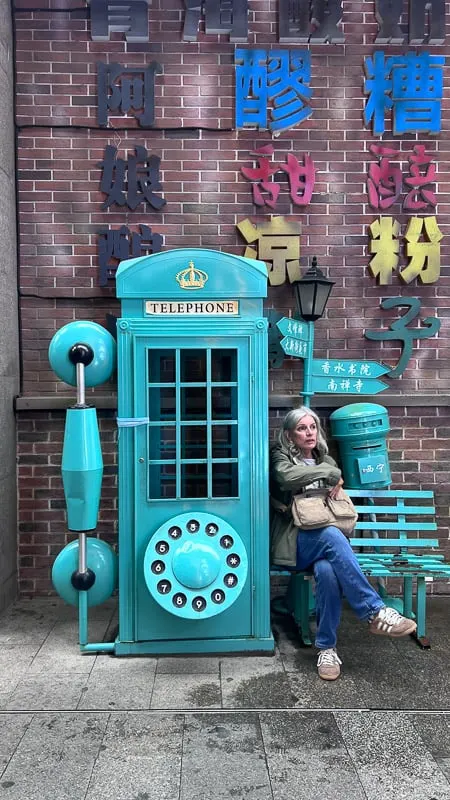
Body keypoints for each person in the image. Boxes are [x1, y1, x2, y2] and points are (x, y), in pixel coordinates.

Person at [269, 406, 417, 681]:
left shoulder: (324, 458)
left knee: (327, 571)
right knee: (331, 535)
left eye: (312, 427)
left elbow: (333, 476)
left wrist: (329, 469)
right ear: (289, 435)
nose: (309, 433)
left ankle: (327, 648)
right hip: (295, 544)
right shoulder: (281, 456)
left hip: (328, 546)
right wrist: (329, 473)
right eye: (301, 428)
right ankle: (374, 611)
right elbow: (286, 477)